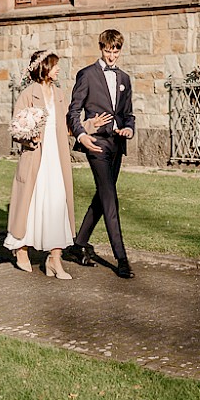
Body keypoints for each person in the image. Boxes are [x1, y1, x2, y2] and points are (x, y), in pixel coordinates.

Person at [5, 50, 110, 279]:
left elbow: (70, 127)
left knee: (58, 205)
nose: (59, 69)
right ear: (44, 68)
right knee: (31, 205)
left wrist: (90, 125)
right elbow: (17, 128)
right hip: (35, 158)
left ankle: (55, 259)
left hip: (57, 159)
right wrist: (29, 138)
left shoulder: (61, 95)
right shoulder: (27, 95)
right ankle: (21, 249)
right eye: (55, 66)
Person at [66, 29, 136, 279]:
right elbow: (73, 113)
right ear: (101, 48)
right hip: (95, 144)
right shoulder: (86, 75)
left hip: (117, 144)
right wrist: (82, 135)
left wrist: (128, 128)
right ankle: (122, 258)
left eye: (116, 50)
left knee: (102, 196)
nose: (112, 55)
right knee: (110, 199)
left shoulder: (125, 78)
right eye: (108, 50)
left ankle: (79, 243)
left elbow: (128, 114)